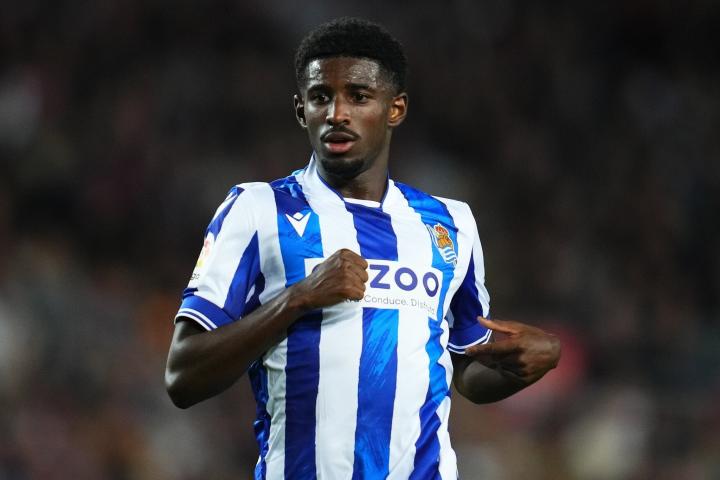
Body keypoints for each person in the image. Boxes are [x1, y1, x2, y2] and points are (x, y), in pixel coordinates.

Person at [165, 17, 561, 480]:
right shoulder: (257, 209)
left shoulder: (450, 224)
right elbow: (182, 376)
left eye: (358, 96)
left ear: (395, 109)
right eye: (320, 97)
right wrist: (297, 298)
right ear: (301, 110)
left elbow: (464, 373)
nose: (337, 112)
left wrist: (528, 365)